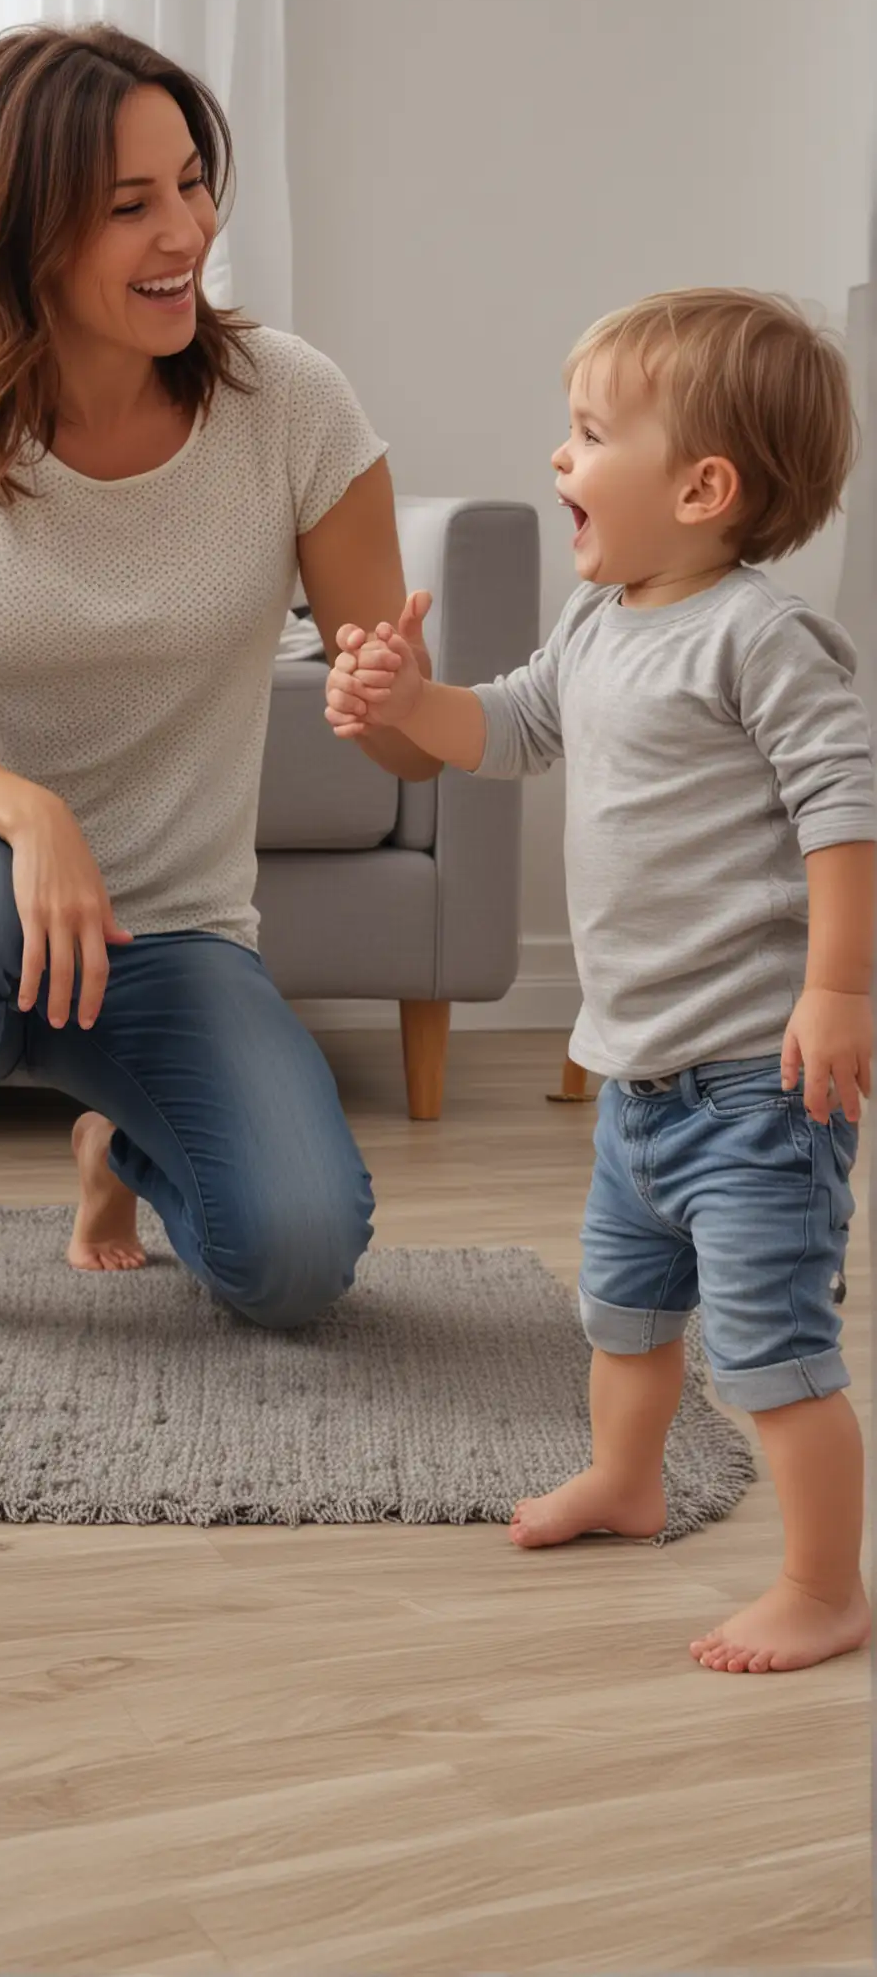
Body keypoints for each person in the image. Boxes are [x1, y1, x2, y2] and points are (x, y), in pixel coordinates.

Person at [0, 21, 439, 1339]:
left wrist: (398, 705)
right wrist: (28, 813)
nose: (187, 233)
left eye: (194, 185)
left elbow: (408, 747)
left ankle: (115, 1149)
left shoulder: (294, 405)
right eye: (130, 206)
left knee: (295, 1264)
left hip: (169, 929)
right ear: (23, 226)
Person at [326, 287, 874, 1674]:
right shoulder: (601, 618)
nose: (558, 462)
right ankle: (630, 1484)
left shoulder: (760, 636)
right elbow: (503, 729)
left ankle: (823, 1584)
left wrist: (842, 990)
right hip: (639, 1079)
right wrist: (405, 704)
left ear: (702, 486)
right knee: (624, 1315)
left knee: (772, 1349)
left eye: (586, 437)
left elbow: (844, 804)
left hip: (759, 1084)